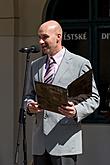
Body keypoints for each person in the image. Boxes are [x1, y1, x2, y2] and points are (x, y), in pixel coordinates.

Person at [25, 20, 100, 165]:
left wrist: (76, 111)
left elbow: (94, 98)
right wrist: (30, 106)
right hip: (40, 143)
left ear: (58, 37)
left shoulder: (79, 64)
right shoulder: (36, 65)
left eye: (45, 37)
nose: (40, 41)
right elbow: (29, 95)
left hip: (65, 142)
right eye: (39, 37)